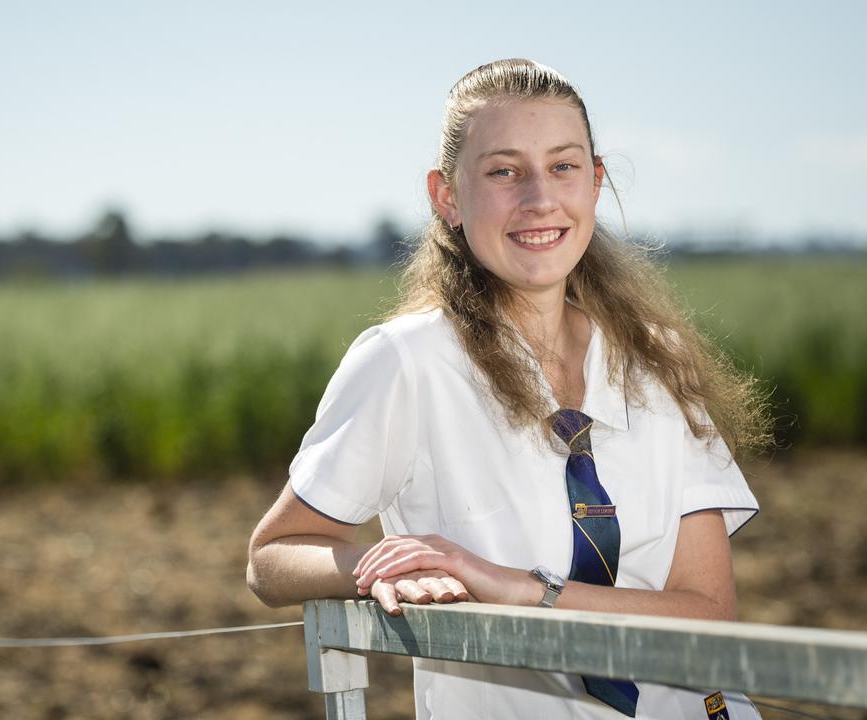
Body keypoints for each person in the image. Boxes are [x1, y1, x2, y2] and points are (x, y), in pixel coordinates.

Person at [246, 58, 772, 719]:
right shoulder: (407, 361)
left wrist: (515, 588)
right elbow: (272, 558)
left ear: (596, 182)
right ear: (446, 196)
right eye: (503, 171)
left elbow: (709, 616)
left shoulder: (657, 361)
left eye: (563, 166)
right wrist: (390, 565)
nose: (539, 198)